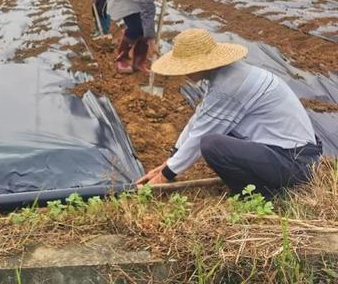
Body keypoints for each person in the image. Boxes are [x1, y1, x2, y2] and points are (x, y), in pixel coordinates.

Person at [137, 28, 322, 198]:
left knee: (212, 145)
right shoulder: (230, 74)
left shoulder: (229, 87)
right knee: (217, 134)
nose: (183, 74)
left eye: (186, 67)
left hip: (295, 162)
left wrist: (164, 177)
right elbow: (199, 119)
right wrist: (168, 162)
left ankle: (260, 195)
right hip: (290, 154)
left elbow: (202, 134)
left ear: (201, 64)